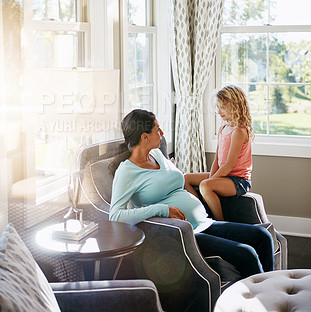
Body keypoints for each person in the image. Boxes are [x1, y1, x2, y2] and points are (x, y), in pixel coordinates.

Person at [109, 109, 274, 279]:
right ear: (145, 137)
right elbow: (115, 215)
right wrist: (162, 209)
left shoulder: (157, 154)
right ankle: (259, 299)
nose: (162, 133)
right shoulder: (127, 172)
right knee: (246, 253)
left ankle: (275, 289)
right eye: (157, 129)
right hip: (185, 234)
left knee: (262, 236)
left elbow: (176, 182)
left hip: (204, 222)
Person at [185, 85, 253, 221]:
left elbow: (229, 165)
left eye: (223, 107)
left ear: (235, 106)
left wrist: (210, 181)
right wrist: (211, 177)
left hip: (237, 180)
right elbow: (217, 159)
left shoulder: (239, 131)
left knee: (205, 185)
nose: (219, 111)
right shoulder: (223, 127)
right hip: (224, 176)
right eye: (217, 107)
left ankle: (220, 221)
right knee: (185, 178)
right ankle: (202, 209)